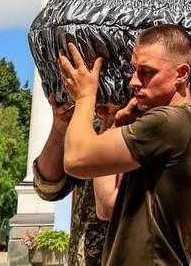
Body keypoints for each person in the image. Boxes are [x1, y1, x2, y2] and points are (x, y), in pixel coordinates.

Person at [59, 25, 191, 266]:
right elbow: (107, 206)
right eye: (134, 71)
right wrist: (111, 124)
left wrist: (85, 97)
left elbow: (76, 159)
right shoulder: (184, 126)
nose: (133, 82)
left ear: (181, 73)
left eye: (147, 72)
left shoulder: (172, 121)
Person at [32, 95, 130, 266]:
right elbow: (48, 188)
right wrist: (60, 129)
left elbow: (108, 207)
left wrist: (111, 122)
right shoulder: (89, 124)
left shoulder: (153, 121)